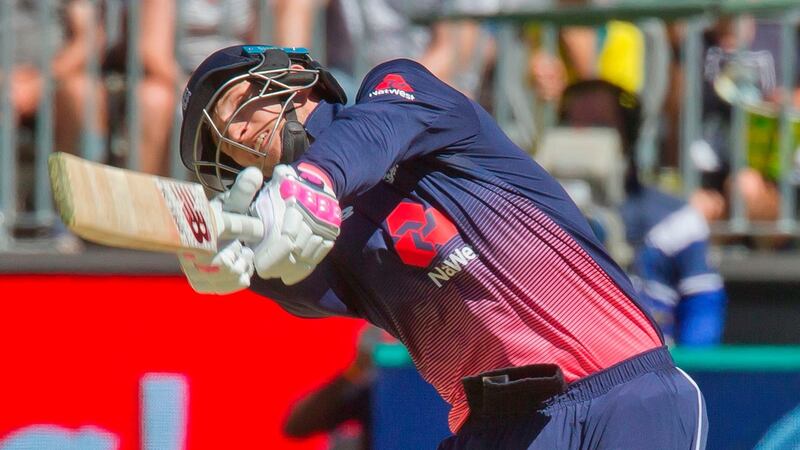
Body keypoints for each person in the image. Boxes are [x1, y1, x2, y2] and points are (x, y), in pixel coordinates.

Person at [176, 45, 707, 448]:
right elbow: (297, 279)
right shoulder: (324, 235)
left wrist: (311, 181)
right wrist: (235, 266)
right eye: (218, 136)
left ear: (296, 81)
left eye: (235, 105)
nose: (230, 132)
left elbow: (373, 135)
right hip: (496, 426)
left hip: (619, 389)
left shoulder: (397, 88)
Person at [557, 80, 727, 347]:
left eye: (601, 127)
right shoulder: (529, 217)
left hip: (652, 371)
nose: (586, 139)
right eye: (573, 127)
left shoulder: (677, 219)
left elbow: (702, 315)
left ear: (627, 135)